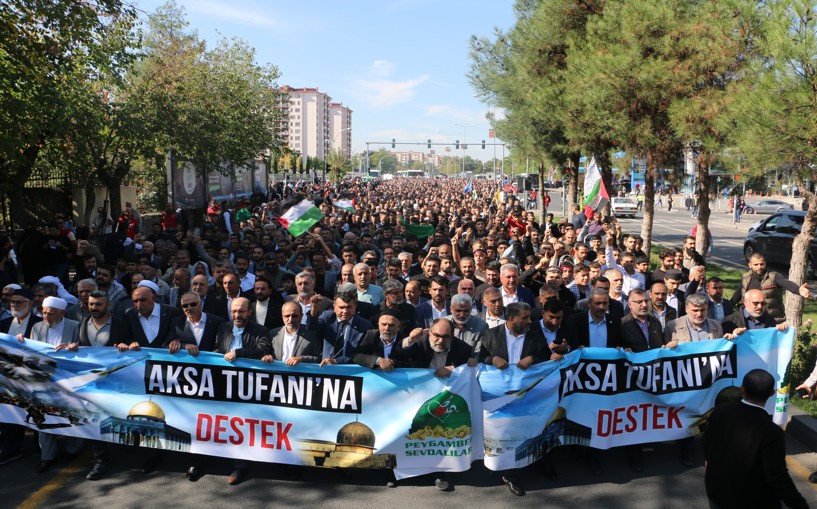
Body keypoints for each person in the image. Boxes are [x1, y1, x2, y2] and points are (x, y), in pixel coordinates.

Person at [703, 369, 809, 509]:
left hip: (716, 493)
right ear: (771, 393)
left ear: (742, 389)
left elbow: (706, 443)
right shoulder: (772, 432)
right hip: (752, 501)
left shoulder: (721, 411)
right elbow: (777, 478)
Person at [392, 319, 474, 491]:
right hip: (413, 397)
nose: (440, 340)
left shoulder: (463, 349)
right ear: (429, 332)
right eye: (436, 335)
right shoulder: (420, 343)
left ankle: (439, 473)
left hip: (442, 401)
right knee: (405, 432)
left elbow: (472, 367)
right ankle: (396, 471)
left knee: (438, 435)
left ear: (453, 336)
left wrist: (453, 368)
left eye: (446, 337)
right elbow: (398, 354)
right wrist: (410, 339)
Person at [479, 301, 549, 496]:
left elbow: (546, 358)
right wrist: (491, 359)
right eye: (525, 317)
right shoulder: (491, 335)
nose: (529, 321)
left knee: (525, 432)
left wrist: (533, 359)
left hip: (528, 396)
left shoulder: (535, 336)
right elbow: (477, 358)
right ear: (511, 319)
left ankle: (524, 468)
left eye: (529, 317)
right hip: (498, 400)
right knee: (503, 434)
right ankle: (508, 474)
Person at [16, 296, 81, 473]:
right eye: (44, 313)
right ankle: (47, 456)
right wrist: (19, 341)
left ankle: (73, 450)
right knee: (43, 418)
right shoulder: (37, 327)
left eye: (50, 314)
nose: (45, 317)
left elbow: (85, 349)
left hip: (69, 381)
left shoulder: (75, 326)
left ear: (61, 312)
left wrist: (75, 346)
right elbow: (29, 351)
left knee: (74, 416)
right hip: (43, 381)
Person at [216, 297, 272, 485]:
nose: (237, 315)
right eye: (233, 311)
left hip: (249, 386)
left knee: (243, 424)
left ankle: (240, 466)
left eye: (241, 311)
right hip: (224, 384)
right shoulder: (223, 327)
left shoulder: (260, 330)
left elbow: (262, 349)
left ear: (249, 312)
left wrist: (238, 353)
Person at [731, 253, 810, 323]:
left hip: (772, 320)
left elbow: (786, 283)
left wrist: (798, 290)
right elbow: (738, 294)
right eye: (756, 264)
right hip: (750, 320)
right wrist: (728, 305)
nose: (759, 267)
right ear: (750, 265)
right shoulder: (745, 278)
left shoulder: (774, 276)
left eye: (762, 264)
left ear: (765, 263)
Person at [307, 283, 371, 366]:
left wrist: (336, 361)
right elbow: (311, 328)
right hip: (325, 368)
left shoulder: (365, 326)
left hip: (351, 372)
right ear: (334, 307)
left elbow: (362, 354)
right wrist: (314, 310)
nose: (345, 311)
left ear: (355, 306)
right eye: (341, 307)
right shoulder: (328, 317)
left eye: (349, 307)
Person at [266, 301, 321, 366]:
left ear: (301, 316)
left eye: (294, 316)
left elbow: (319, 358)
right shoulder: (273, 334)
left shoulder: (311, 334)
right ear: (282, 316)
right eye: (287, 316)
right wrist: (266, 357)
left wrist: (301, 359)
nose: (290, 319)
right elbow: (266, 354)